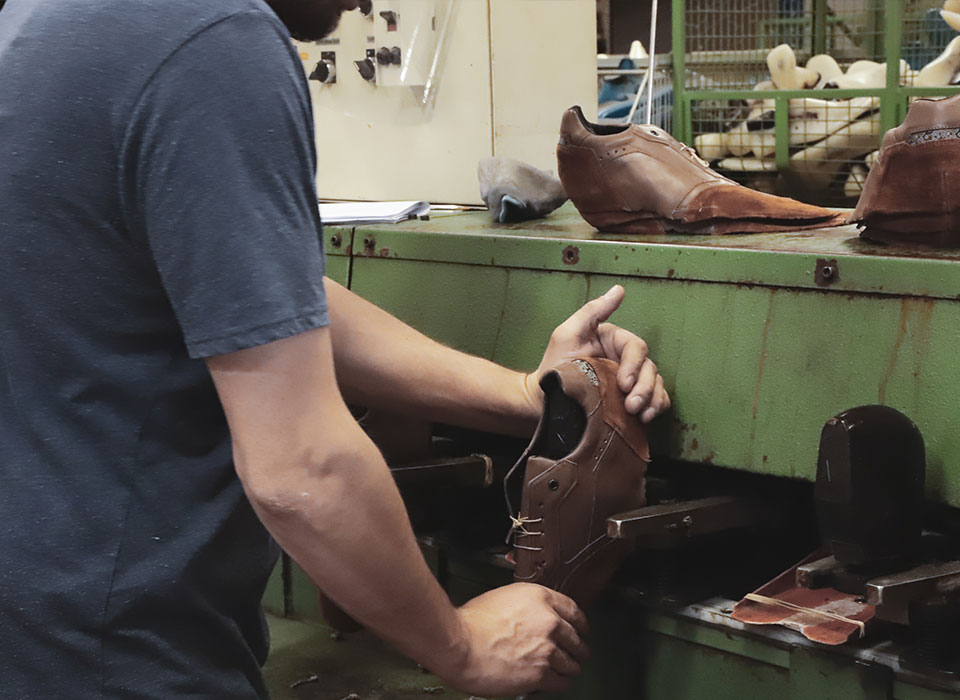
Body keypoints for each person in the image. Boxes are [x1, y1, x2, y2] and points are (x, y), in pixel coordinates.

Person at [0, 0, 670, 698]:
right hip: (119, 656)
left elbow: (260, 301)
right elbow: (301, 466)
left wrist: (521, 395)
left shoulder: (44, 17)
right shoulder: (213, 40)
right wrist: (463, 644)